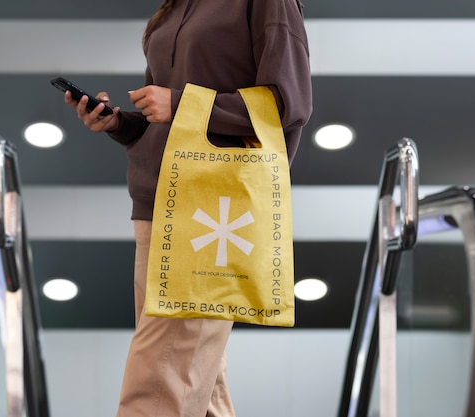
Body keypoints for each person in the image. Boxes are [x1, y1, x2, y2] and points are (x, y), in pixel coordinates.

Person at [64, 1, 312, 416]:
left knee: (160, 380)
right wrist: (120, 123)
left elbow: (288, 103)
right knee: (196, 377)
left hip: (211, 210)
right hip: (155, 200)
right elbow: (164, 117)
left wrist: (182, 103)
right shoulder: (175, 6)